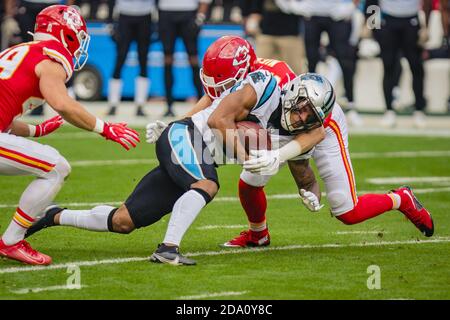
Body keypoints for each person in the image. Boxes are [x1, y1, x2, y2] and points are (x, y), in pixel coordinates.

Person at [24, 36, 324, 266]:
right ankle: (168, 250)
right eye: (300, 111)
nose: (300, 118)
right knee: (206, 184)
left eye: (307, 118)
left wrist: (311, 193)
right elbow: (218, 117)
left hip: (197, 154)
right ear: (293, 96)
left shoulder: (296, 133)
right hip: (187, 137)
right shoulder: (265, 85)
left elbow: (306, 175)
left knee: (123, 221)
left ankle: (53, 215)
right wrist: (250, 160)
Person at [0, 5, 139, 266]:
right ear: (67, 33)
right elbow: (62, 104)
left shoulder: (19, 51)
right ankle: (11, 241)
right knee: (56, 167)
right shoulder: (51, 57)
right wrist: (105, 128)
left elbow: (6, 118)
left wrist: (36, 130)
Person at [374, 0, 428, 128]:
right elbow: (372, 1)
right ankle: (389, 110)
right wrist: (372, 26)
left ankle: (419, 110)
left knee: (416, 66)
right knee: (388, 66)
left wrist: (426, 26)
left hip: (411, 19)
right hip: (387, 19)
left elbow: (427, 3)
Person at [158, 0, 212, 117]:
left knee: (193, 59)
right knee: (167, 59)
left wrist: (200, 17)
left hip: (189, 12)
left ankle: (203, 104)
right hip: (166, 12)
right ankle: (169, 105)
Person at [107, 0, 155, 117]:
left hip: (145, 15)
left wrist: (156, 23)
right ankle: (113, 104)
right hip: (124, 15)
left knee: (143, 60)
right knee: (120, 58)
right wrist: (109, 22)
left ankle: (140, 105)